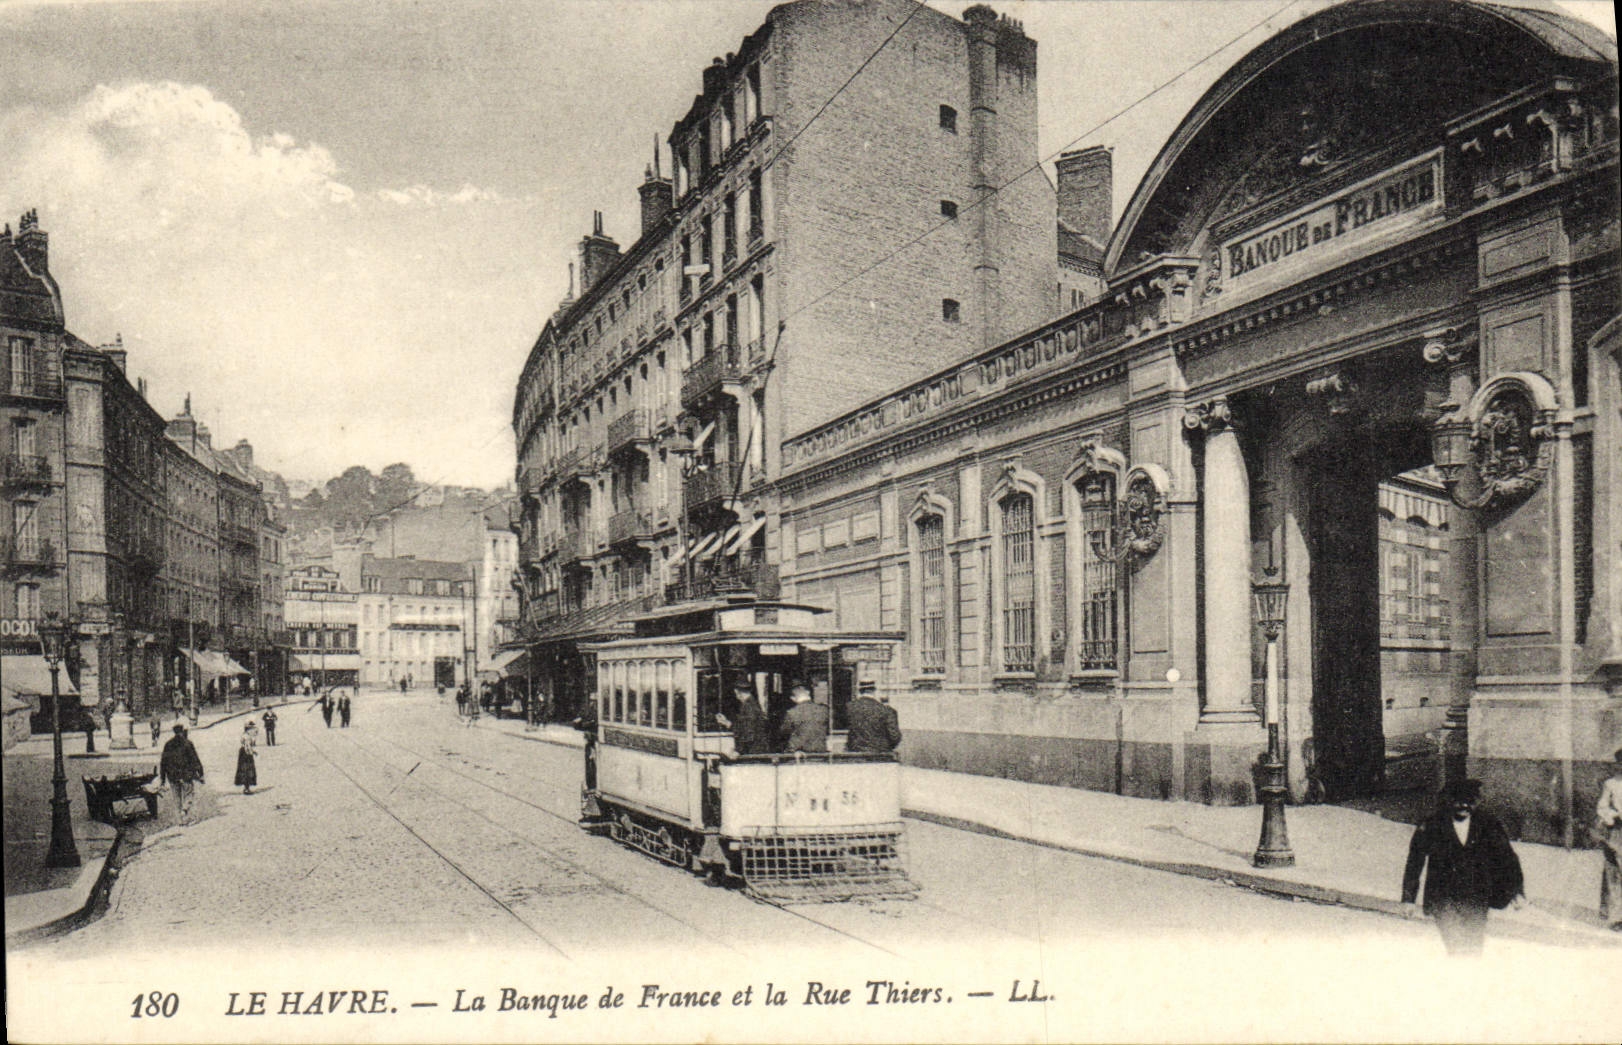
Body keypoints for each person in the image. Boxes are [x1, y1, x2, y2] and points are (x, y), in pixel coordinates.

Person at [1402, 778, 1525, 956]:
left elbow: (1507, 858)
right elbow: (1415, 861)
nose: (1464, 807)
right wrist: (1408, 898)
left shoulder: (1488, 824)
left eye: (1469, 802)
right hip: (1443, 898)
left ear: (1476, 802)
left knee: (1474, 948)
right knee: (1455, 945)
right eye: (1458, 802)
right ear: (1449, 801)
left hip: (1476, 897)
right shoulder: (1432, 824)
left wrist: (1516, 891)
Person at [1596, 747, 1622, 932]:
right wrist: (1612, 816)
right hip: (1617, 833)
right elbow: (1602, 807)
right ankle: (1616, 918)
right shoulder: (1612, 784)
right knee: (1614, 874)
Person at [159, 723, 205, 825]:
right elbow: (195, 759)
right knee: (188, 794)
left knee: (176, 798)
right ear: (182, 731)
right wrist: (200, 773)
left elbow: (163, 762)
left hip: (172, 776)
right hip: (186, 775)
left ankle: (180, 821)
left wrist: (162, 779)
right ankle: (185, 809)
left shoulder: (168, 744)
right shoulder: (187, 743)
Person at [846, 679, 901, 754]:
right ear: (874, 691)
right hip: (879, 754)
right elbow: (895, 736)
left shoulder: (850, 707)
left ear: (860, 691)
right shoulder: (885, 710)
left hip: (855, 753)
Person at [716, 682, 770, 755]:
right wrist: (726, 723)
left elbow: (748, 732)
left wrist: (738, 751)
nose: (736, 697)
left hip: (753, 751)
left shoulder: (748, 706)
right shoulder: (751, 704)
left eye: (736, 694)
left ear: (739, 693)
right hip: (755, 749)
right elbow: (743, 726)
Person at [778, 684, 828, 754]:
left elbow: (784, 732)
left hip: (798, 753)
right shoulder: (823, 710)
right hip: (820, 752)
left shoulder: (792, 712)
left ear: (793, 698)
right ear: (808, 694)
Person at [234, 722, 258, 795]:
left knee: (244, 770)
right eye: (252, 729)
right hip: (246, 755)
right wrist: (252, 752)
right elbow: (248, 747)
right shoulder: (247, 737)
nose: (253, 731)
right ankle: (246, 788)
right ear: (248, 729)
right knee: (248, 770)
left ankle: (246, 787)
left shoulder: (245, 735)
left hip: (242, 753)